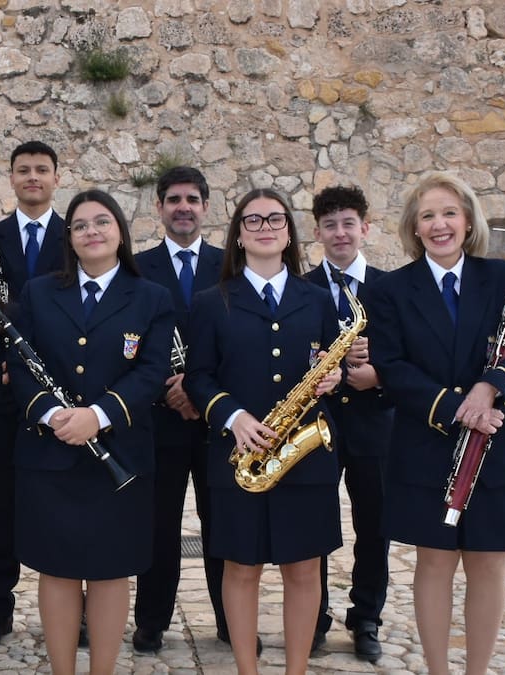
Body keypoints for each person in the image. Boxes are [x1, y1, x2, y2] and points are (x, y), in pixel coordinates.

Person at [367, 172, 505, 675]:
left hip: (498, 440)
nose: (439, 224)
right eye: (427, 215)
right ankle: (438, 671)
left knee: (490, 562)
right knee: (434, 561)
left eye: (449, 212)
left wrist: (490, 386)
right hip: (427, 444)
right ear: (414, 227)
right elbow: (392, 365)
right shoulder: (389, 290)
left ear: (468, 220)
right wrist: (456, 406)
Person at [8, 189, 174, 675]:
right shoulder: (39, 292)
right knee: (55, 570)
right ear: (70, 239)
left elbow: (150, 371)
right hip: (49, 454)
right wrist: (54, 416)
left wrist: (97, 416)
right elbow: (19, 368)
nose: (92, 231)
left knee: (110, 570)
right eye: (80, 225)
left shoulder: (151, 298)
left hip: (120, 456)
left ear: (120, 232)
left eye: (102, 222)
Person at [185, 188, 343, 675]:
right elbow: (198, 377)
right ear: (237, 237)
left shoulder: (318, 300)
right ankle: (246, 670)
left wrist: (333, 380)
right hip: (239, 453)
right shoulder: (212, 302)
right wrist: (233, 417)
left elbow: (327, 367)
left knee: (304, 568)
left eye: (275, 218)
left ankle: (296, 669)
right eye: (252, 221)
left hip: (306, 454)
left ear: (291, 232)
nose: (265, 227)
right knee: (241, 567)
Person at [0, 140, 68, 650]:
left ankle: (82, 609)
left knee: (70, 501)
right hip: (5, 394)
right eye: (24, 171)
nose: (33, 178)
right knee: (4, 503)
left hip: (64, 393)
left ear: (56, 178)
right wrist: (0, 368)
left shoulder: (78, 235)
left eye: (42, 170)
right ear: (11, 179)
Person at [130, 167, 235, 654]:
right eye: (173, 199)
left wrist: (199, 390)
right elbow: (128, 342)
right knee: (157, 524)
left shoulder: (231, 264)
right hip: (158, 416)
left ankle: (230, 619)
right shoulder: (137, 267)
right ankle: (151, 620)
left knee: (223, 523)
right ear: (159, 208)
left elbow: (240, 342)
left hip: (220, 422)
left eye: (192, 199)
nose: (183, 207)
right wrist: (167, 388)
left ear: (206, 206)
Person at [305, 185, 394, 662]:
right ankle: (313, 617)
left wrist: (375, 371)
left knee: (374, 525)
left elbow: (408, 355)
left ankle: (367, 618)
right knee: (314, 522)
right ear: (316, 232)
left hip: (374, 421)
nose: (339, 233)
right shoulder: (299, 287)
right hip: (316, 423)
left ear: (365, 228)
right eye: (330, 225)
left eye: (348, 223)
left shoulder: (391, 287)